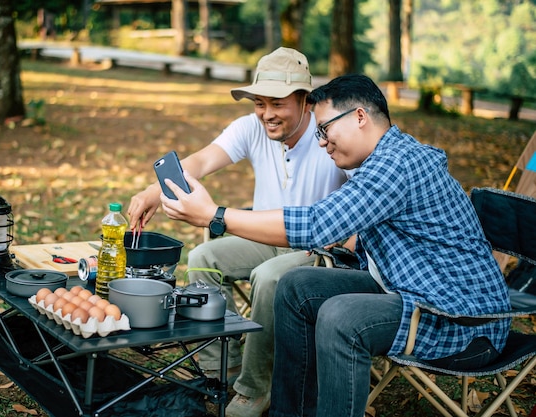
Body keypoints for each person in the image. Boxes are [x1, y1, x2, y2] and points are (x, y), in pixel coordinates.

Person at [158, 74, 511, 417]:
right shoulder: (382, 159)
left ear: (359, 117)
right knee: (297, 286)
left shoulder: (397, 164)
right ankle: (289, 412)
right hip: (410, 290)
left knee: (341, 317)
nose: (323, 142)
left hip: (461, 321)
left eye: (325, 130)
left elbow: (315, 224)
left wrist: (214, 215)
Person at [127, 47, 349, 417]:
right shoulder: (252, 127)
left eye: (277, 103)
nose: (267, 114)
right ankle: (220, 369)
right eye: (260, 102)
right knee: (203, 258)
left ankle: (255, 387)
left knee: (270, 278)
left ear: (305, 100)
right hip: (263, 237)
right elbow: (201, 160)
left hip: (317, 250)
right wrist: (154, 191)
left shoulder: (332, 136)